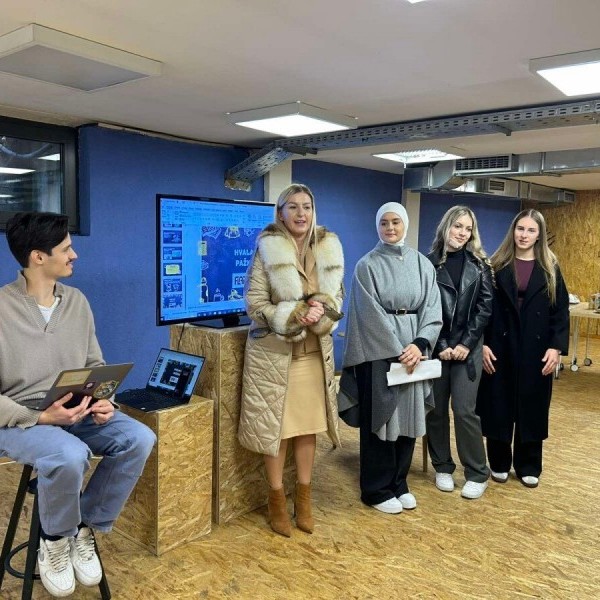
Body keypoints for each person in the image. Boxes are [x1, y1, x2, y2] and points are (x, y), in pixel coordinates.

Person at [0, 212, 156, 598]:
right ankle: (54, 539)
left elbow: (94, 365)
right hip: (20, 420)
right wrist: (40, 416)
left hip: (76, 409)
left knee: (139, 438)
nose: (75, 255)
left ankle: (82, 527)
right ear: (38, 256)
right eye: (67, 248)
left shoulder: (77, 302)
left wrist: (105, 401)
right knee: (69, 455)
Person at [238, 184, 344, 536]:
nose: (301, 213)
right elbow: (255, 304)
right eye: (293, 207)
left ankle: (304, 497)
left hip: (313, 354)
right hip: (275, 356)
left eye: (307, 206)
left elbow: (337, 298)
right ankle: (277, 499)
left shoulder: (328, 246)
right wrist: (294, 314)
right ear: (281, 213)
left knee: (307, 428)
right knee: (278, 431)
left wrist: (322, 311)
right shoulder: (266, 247)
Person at [338, 202, 442, 514]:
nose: (390, 228)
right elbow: (367, 313)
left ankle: (399, 483)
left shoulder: (423, 264)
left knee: (408, 417)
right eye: (384, 223)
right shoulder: (367, 265)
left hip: (415, 350)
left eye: (396, 222)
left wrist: (419, 344)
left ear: (405, 224)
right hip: (378, 351)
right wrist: (398, 349)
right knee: (382, 418)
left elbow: (432, 307)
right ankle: (375, 489)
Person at [476, 208, 569, 488]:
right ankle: (499, 462)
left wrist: (555, 347)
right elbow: (483, 309)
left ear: (539, 235)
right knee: (498, 404)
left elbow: (560, 311)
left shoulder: (550, 268)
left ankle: (529, 464)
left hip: (536, 349)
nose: (524, 235)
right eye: (520, 229)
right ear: (513, 231)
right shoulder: (496, 265)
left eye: (531, 230)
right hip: (499, 346)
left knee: (532, 406)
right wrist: (482, 344)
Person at [426, 206, 493, 499]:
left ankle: (477, 472)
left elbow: (484, 308)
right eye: (457, 226)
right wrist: (442, 345)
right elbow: (426, 308)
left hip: (469, 348)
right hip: (437, 348)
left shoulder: (481, 266)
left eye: (468, 228)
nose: (462, 233)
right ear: (446, 227)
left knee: (464, 411)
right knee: (436, 410)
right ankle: (442, 466)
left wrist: (465, 343)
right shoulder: (427, 264)